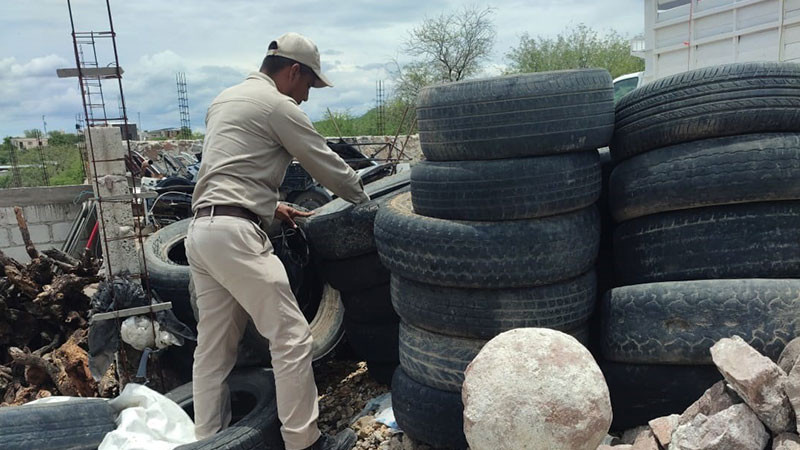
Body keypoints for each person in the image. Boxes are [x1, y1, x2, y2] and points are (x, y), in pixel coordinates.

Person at [185, 32, 368, 450]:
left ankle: (208, 442)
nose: (306, 96)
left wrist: (272, 208)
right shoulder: (278, 106)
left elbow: (232, 167)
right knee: (290, 337)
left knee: (213, 351)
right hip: (235, 237)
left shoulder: (225, 99)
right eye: (308, 85)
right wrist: (363, 195)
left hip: (202, 231)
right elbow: (323, 162)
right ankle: (305, 442)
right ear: (293, 71)